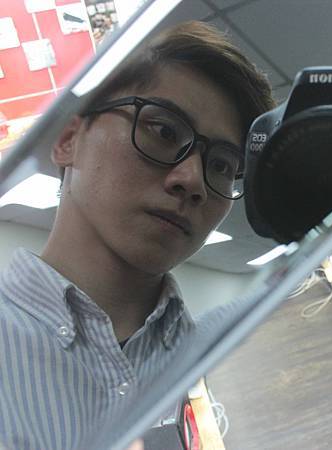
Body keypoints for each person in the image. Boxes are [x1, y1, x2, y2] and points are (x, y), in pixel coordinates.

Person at [0, 20, 274, 450]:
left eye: (222, 165)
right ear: (69, 139)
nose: (194, 181)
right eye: (163, 131)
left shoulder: (209, 350)